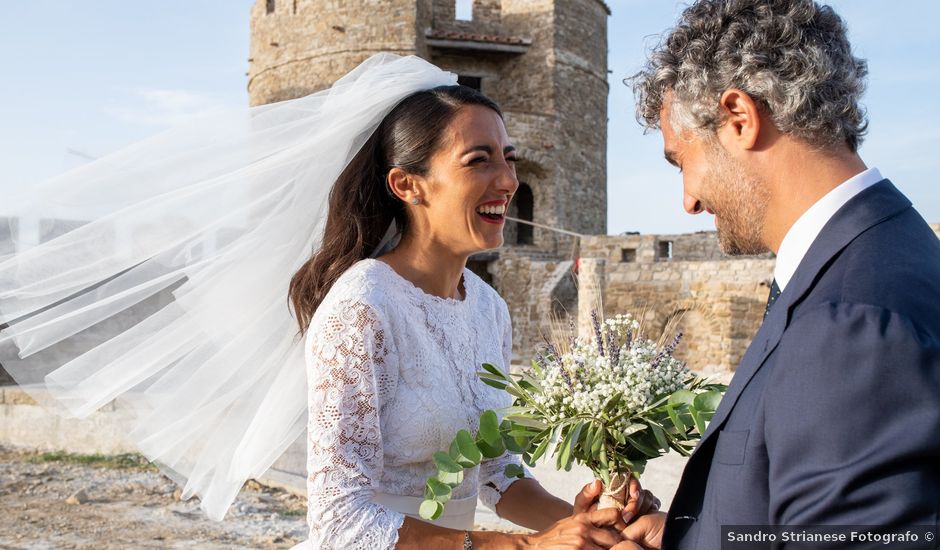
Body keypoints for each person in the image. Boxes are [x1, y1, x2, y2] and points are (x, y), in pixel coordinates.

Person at [615, 1, 940, 549]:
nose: (689, 200)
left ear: (739, 117)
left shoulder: (850, 326)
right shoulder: (884, 252)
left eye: (682, 161)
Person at [287, 78, 658, 548]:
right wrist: (523, 546)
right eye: (479, 160)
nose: (507, 180)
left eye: (509, 157)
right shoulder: (362, 309)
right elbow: (339, 519)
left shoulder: (489, 308)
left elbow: (495, 472)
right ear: (408, 185)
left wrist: (586, 524)